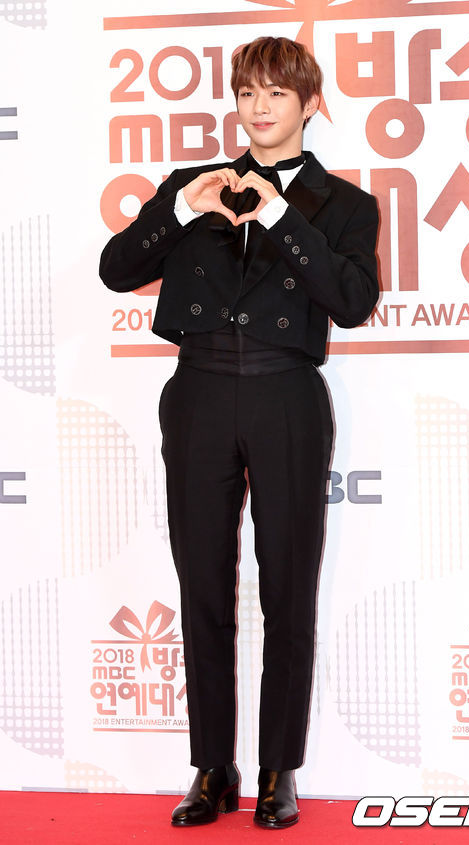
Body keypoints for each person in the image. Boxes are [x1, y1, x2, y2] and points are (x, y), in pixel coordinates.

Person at [100, 35, 379, 829]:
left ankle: (278, 769)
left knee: (288, 588)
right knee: (202, 586)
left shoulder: (345, 204)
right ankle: (211, 767)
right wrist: (185, 208)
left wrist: (282, 215)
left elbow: (352, 299)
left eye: (277, 94)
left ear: (309, 105)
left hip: (287, 393)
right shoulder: (193, 186)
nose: (259, 108)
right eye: (247, 92)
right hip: (197, 392)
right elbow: (117, 269)